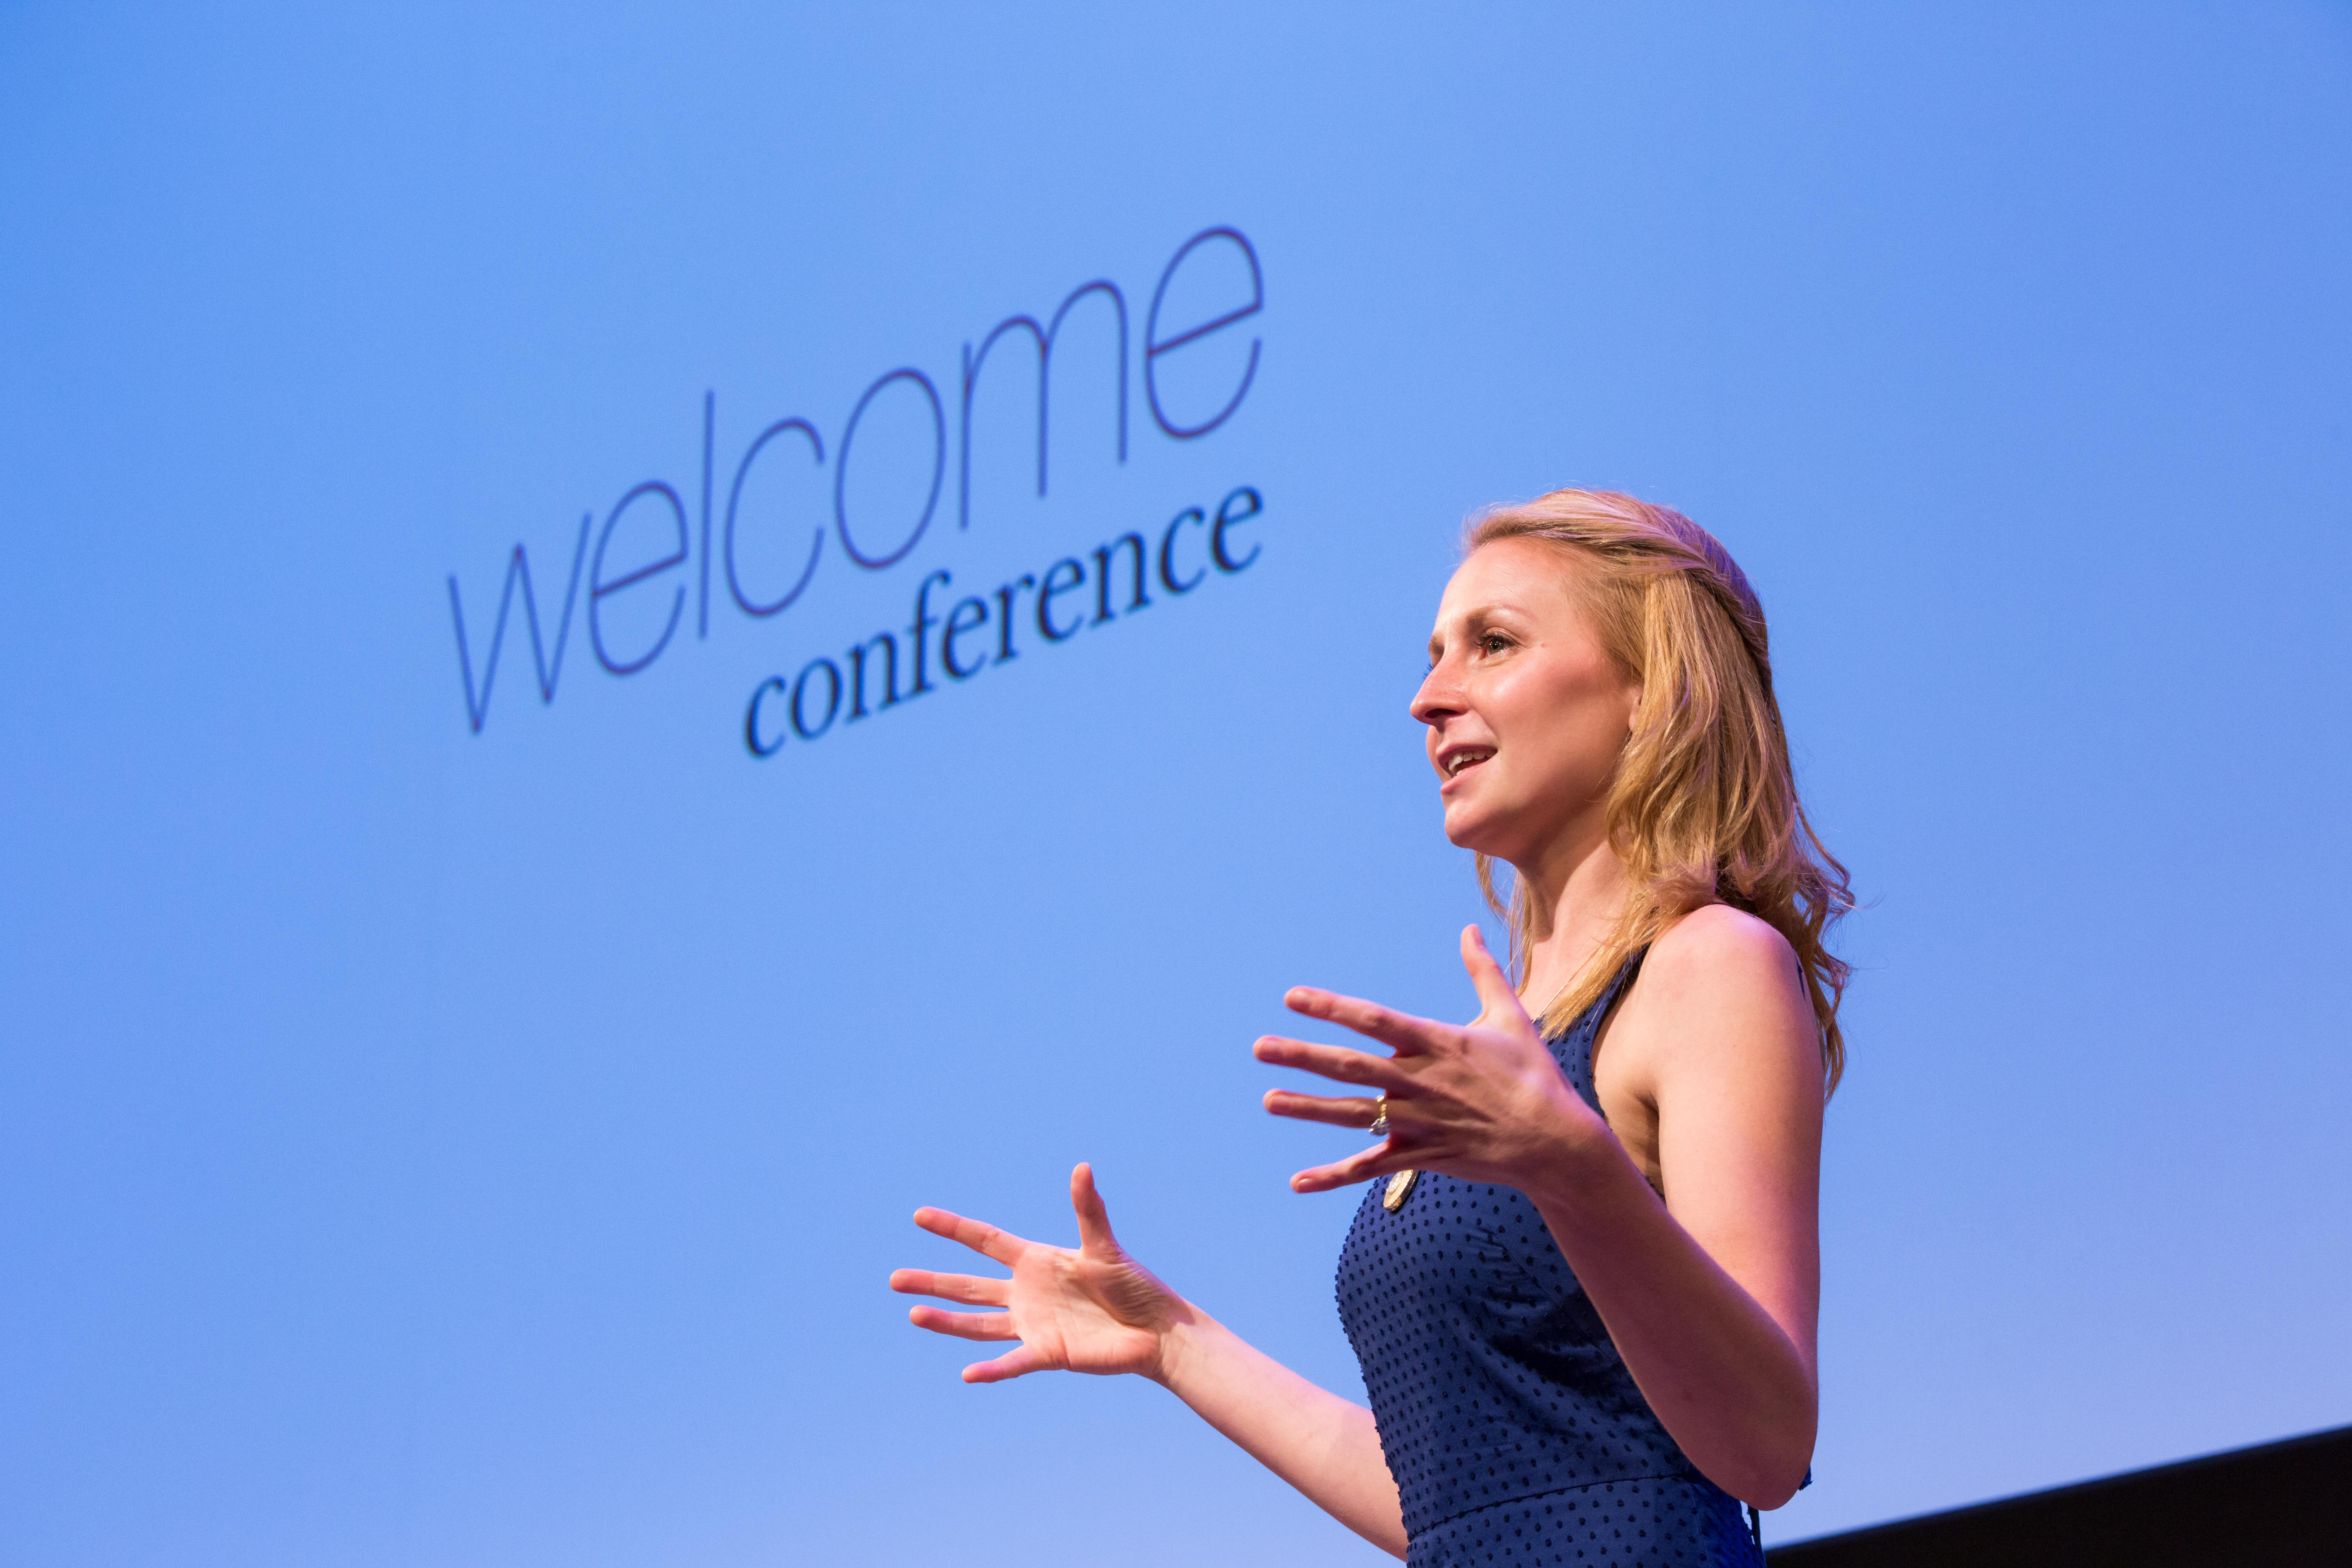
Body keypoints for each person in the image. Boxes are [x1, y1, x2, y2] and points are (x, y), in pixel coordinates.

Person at [889, 489, 1851, 1566]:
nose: (1428, 699)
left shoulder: (1707, 967)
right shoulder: (1502, 1069)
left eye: (1493, 645)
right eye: (1434, 654)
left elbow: (1766, 1449)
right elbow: (1466, 1509)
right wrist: (1175, 1343)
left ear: (1649, 692)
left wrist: (1575, 1169)